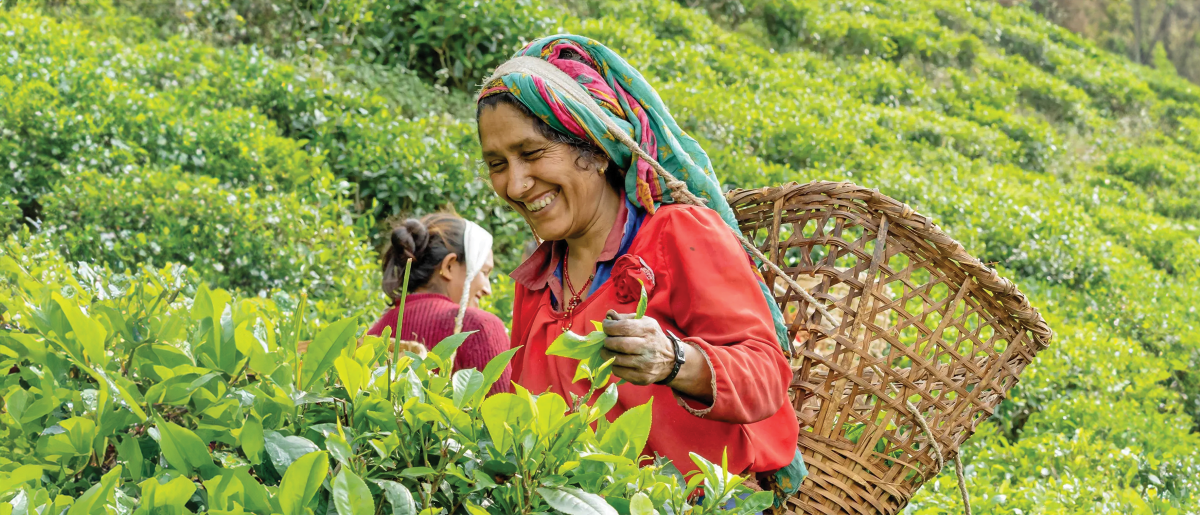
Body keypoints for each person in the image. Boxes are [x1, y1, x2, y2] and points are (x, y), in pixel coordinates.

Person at [475, 35, 806, 499]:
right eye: (496, 164)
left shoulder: (678, 236)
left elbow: (766, 377)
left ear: (593, 149)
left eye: (530, 154)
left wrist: (676, 361)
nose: (515, 183)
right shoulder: (537, 283)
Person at [366, 212, 513, 394]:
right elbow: (506, 418)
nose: (487, 289)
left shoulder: (376, 333)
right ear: (449, 266)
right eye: (484, 272)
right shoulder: (479, 328)